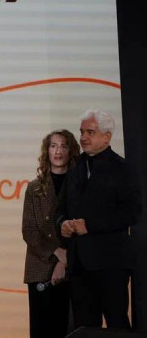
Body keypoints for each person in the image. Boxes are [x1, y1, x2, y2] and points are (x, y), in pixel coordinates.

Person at [56, 110, 142, 330]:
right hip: (79, 265)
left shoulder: (122, 169)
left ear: (106, 137)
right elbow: (60, 209)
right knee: (84, 328)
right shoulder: (74, 169)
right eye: (82, 132)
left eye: (90, 132)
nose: (83, 137)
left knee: (117, 324)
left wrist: (90, 225)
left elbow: (132, 212)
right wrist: (62, 224)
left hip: (111, 263)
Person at [22, 129, 80, 338]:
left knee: (71, 329)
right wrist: (57, 252)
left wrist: (65, 260)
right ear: (47, 151)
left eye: (64, 146)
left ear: (71, 151)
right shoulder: (34, 188)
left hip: (74, 265)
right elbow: (29, 231)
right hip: (40, 267)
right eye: (54, 146)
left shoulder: (80, 185)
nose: (58, 151)